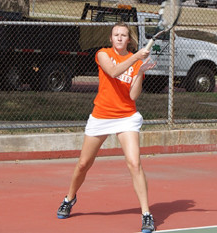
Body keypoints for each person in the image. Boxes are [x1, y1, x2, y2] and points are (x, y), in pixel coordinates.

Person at [57, 21, 157, 233]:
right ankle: (69, 197)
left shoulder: (137, 61)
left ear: (128, 39)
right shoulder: (103, 54)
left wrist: (140, 71)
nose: (119, 38)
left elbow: (133, 95)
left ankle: (146, 214)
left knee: (134, 163)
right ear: (111, 39)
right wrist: (135, 58)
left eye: (123, 35)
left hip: (127, 116)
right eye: (116, 35)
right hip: (101, 116)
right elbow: (112, 72)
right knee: (84, 164)